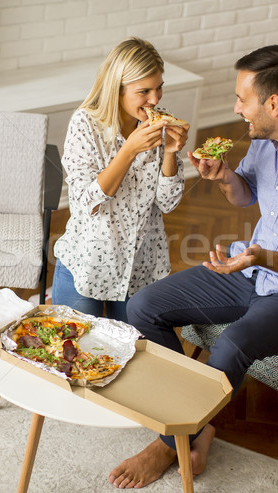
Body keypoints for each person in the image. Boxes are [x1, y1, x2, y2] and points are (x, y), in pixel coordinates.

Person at [107, 45, 278, 489]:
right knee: (144, 307)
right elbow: (247, 192)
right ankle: (193, 426)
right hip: (253, 270)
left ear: (274, 104)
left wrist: (261, 256)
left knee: (229, 346)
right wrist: (224, 176)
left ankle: (168, 443)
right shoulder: (268, 141)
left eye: (241, 99)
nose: (235, 109)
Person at [52, 37, 189, 323]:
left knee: (132, 358)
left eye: (159, 87)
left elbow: (168, 203)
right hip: (88, 264)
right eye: (144, 91)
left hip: (141, 268)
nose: (155, 99)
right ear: (118, 89)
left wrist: (172, 153)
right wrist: (129, 150)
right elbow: (85, 202)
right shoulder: (85, 124)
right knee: (74, 352)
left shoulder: (159, 126)